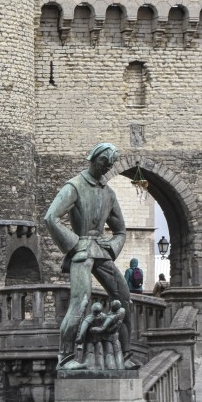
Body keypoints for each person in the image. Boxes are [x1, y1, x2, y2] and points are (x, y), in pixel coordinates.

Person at [42, 141, 135, 371]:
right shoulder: (74, 186)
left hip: (102, 252)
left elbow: (120, 230)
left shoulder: (109, 193)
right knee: (80, 302)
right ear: (93, 159)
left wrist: (112, 246)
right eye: (104, 163)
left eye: (110, 165)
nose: (106, 168)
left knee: (123, 298)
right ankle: (65, 357)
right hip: (82, 249)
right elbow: (51, 218)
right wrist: (74, 245)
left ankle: (126, 355)